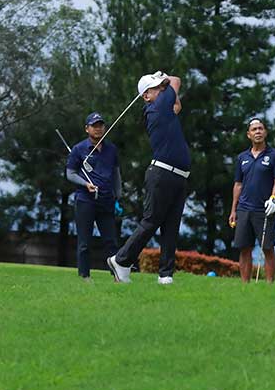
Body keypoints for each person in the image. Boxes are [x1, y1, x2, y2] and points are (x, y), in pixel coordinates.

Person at [107, 71, 189, 284]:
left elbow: (177, 105)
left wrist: (160, 81)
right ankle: (121, 260)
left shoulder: (164, 108)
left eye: (162, 87)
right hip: (162, 173)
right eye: (158, 87)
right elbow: (176, 81)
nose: (163, 89)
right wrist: (163, 76)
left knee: (171, 225)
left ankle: (165, 275)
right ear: (146, 96)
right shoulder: (158, 106)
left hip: (178, 175)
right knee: (151, 221)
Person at [66, 112, 121, 281]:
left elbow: (116, 174)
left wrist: (118, 197)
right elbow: (70, 173)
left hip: (106, 200)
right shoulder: (78, 149)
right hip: (85, 200)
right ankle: (85, 276)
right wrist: (85, 184)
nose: (98, 129)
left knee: (111, 241)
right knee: (85, 241)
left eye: (100, 125)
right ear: (87, 129)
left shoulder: (111, 149)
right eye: (94, 125)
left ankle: (117, 275)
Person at [228, 118, 275, 283]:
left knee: (267, 248)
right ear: (248, 135)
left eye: (260, 129)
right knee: (244, 248)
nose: (258, 132)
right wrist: (233, 210)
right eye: (254, 130)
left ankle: (269, 285)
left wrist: (273, 198)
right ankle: (245, 285)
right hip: (244, 209)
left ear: (265, 132)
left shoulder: (274, 155)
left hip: (264, 209)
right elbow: (238, 184)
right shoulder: (242, 158)